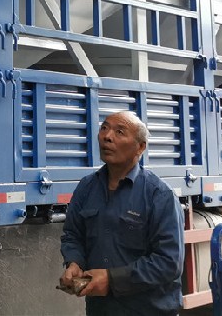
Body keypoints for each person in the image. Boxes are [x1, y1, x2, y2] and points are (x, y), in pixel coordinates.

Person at [59, 111, 184, 315]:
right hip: (101, 310)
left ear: (140, 147)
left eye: (119, 132)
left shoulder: (160, 195)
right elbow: (73, 235)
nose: (107, 136)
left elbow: (168, 262)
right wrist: (75, 262)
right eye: (104, 128)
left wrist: (111, 280)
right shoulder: (86, 188)